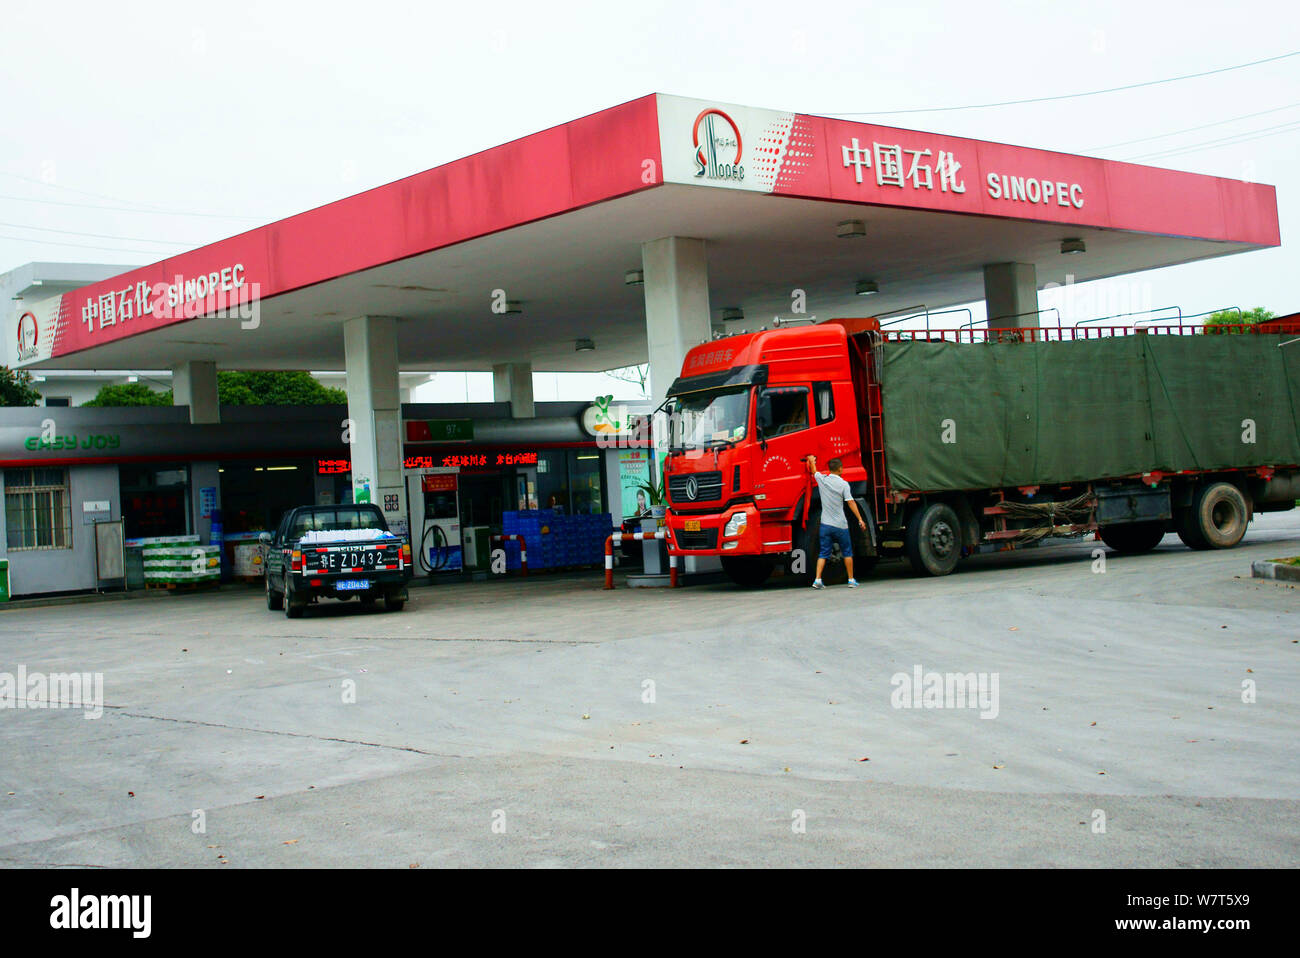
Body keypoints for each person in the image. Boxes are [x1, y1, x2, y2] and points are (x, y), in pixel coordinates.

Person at [806, 455, 867, 589]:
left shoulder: (822, 480)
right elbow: (850, 502)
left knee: (823, 553)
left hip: (825, 525)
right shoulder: (843, 484)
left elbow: (814, 471)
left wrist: (811, 460)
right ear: (840, 469)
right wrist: (860, 519)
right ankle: (851, 580)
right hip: (841, 525)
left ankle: (817, 580)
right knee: (847, 552)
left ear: (829, 469)